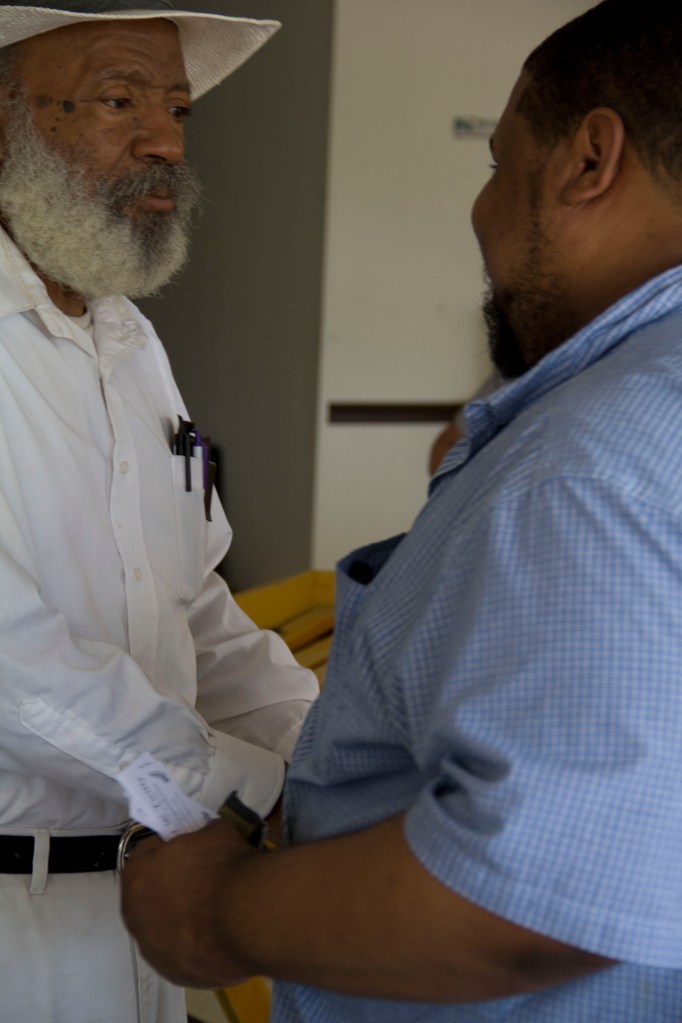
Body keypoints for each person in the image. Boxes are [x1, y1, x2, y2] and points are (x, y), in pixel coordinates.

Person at [122, 1, 682, 1019]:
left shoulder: (593, 468)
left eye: (496, 163)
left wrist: (214, 915)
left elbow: (528, 908)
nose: (480, 213)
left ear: (587, 162)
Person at [0, 3, 319, 1022]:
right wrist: (232, 783)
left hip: (145, 904)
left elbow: (190, 612)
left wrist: (324, 757)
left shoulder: (128, 341)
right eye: (117, 98)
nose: (165, 141)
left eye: (175, 106)